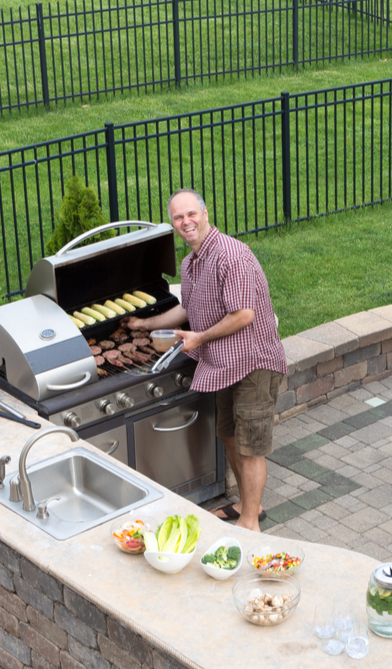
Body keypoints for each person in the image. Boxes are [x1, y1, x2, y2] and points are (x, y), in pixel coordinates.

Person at [122, 188, 288, 532]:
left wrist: (198, 338)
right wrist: (144, 324)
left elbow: (244, 314)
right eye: (178, 218)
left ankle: (250, 525)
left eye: (191, 214)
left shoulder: (231, 256)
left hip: (253, 363)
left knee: (250, 448)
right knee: (229, 437)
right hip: (224, 366)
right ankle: (246, 505)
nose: (186, 222)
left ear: (205, 213)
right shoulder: (192, 261)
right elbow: (188, 305)